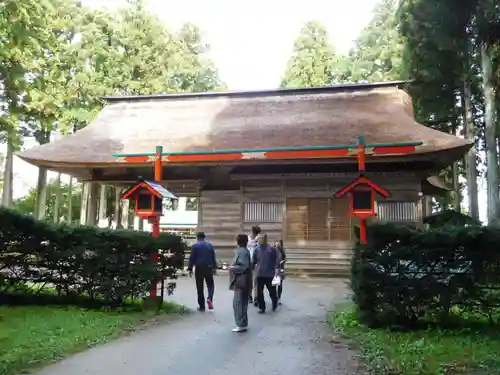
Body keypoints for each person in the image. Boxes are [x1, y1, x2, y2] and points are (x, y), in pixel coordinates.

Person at [187, 232, 217, 311]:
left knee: (200, 287)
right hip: (209, 267)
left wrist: (190, 268)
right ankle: (209, 298)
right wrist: (214, 267)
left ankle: (202, 306)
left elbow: (192, 258)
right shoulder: (210, 245)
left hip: (199, 268)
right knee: (210, 284)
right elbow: (213, 257)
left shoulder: (195, 246)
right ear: (204, 237)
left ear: (197, 237)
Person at [229, 234, 252, 332]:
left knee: (239, 302)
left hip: (241, 279)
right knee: (240, 302)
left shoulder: (242, 252)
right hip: (243, 279)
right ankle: (242, 323)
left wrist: (232, 268)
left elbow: (243, 266)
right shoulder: (244, 251)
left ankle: (241, 324)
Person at [252, 233, 279, 313]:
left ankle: (274, 302)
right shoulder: (256, 249)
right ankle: (262, 307)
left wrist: (275, 269)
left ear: (266, 239)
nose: (260, 240)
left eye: (261, 238)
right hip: (260, 273)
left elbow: (275, 260)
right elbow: (254, 260)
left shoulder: (271, 249)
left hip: (269, 274)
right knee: (259, 292)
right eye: (259, 238)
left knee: (272, 291)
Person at [247, 225, 261, 304]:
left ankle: (256, 297)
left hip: (256, 262)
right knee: (249, 280)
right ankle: (249, 296)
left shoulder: (259, 239)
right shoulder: (247, 238)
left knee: (256, 280)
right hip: (248, 262)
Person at [275, 239, 286, 305]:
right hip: (274, 268)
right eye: (276, 242)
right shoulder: (273, 250)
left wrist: (283, 261)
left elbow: (284, 258)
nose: (277, 243)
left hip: (281, 268)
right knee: (274, 284)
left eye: (279, 242)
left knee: (280, 284)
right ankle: (274, 297)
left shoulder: (282, 251)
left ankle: (279, 297)